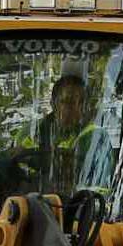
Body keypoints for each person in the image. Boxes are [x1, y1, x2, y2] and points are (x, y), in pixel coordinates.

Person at [37, 69, 89, 198]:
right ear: (53, 104)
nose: (76, 109)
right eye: (69, 102)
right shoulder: (30, 133)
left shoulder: (95, 136)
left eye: (81, 102)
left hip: (82, 207)